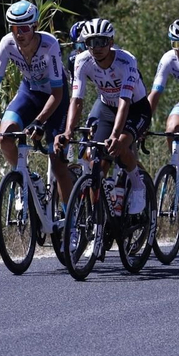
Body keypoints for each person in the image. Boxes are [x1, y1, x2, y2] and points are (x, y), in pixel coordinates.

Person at [0, 0, 70, 203]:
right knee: (5, 137)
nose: (19, 34)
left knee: (57, 162)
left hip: (55, 97)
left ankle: (69, 223)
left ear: (35, 27)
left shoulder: (49, 45)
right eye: (15, 28)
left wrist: (40, 120)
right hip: (29, 92)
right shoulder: (7, 44)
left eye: (25, 28)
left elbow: (57, 93)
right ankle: (30, 179)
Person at [61, 17, 150, 214]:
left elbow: (124, 101)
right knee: (96, 168)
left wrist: (115, 135)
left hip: (135, 108)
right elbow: (77, 100)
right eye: (90, 42)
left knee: (120, 146)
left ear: (110, 42)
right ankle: (98, 220)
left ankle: (138, 185)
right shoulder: (82, 61)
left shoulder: (126, 61)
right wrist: (68, 132)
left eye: (101, 41)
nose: (96, 47)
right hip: (107, 108)